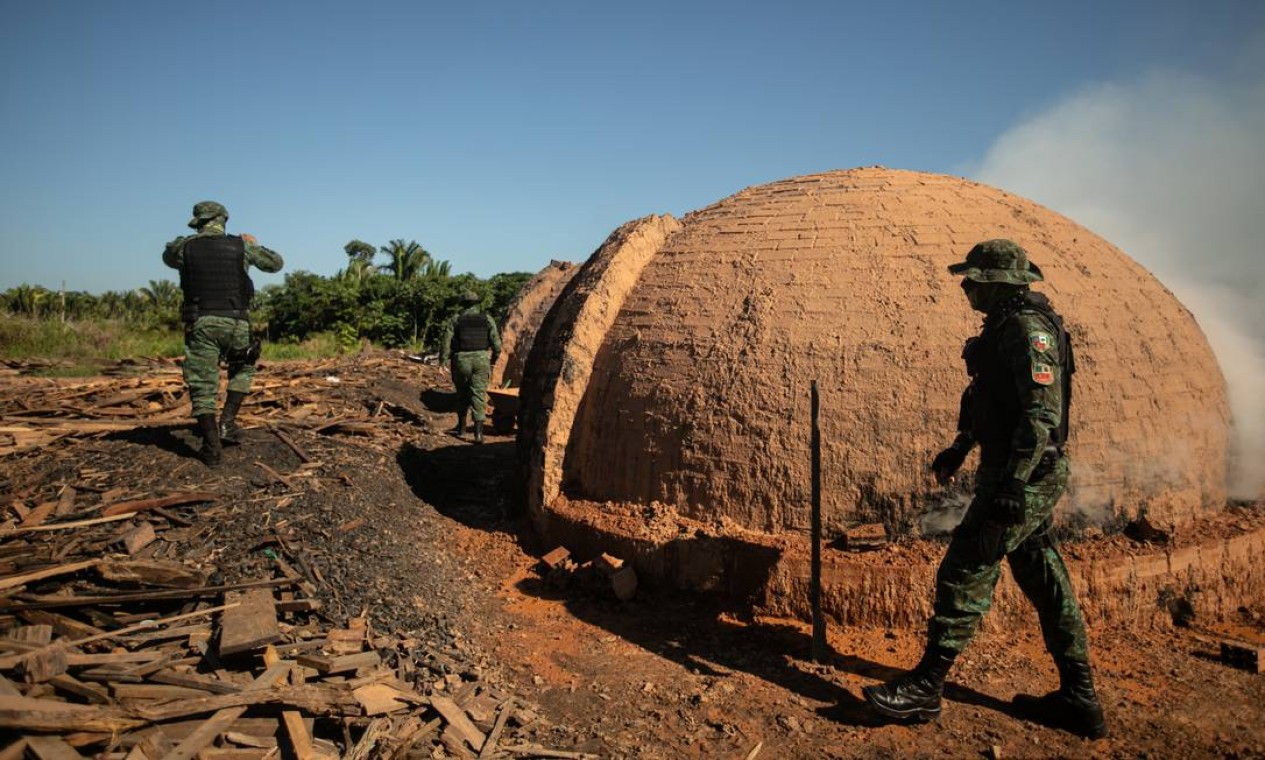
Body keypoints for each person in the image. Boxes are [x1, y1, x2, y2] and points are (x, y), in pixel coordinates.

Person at [862, 239, 1106, 739]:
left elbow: (1041, 415)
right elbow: (989, 399)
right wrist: (960, 447)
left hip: (1026, 473)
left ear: (999, 283)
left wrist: (1014, 485)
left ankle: (926, 686)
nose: (965, 286)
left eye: (974, 279)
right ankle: (1079, 699)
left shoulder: (1028, 330)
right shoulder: (1002, 327)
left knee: (967, 565)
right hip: (1012, 468)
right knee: (1043, 575)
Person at [163, 201, 283, 465]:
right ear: (223, 219)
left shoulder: (184, 247)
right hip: (236, 321)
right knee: (242, 369)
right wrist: (253, 243)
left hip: (202, 322)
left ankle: (211, 445)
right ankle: (227, 422)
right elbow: (276, 264)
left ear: (198, 221)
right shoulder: (242, 246)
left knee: (202, 382)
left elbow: (168, 256)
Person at [439, 291, 501, 444]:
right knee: (478, 395)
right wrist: (492, 360)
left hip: (461, 360)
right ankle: (478, 435)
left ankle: (461, 428)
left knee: (462, 393)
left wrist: (442, 361)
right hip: (481, 360)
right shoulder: (487, 319)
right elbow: (497, 345)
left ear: (463, 304)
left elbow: (446, 342)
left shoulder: (456, 319)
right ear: (477, 303)